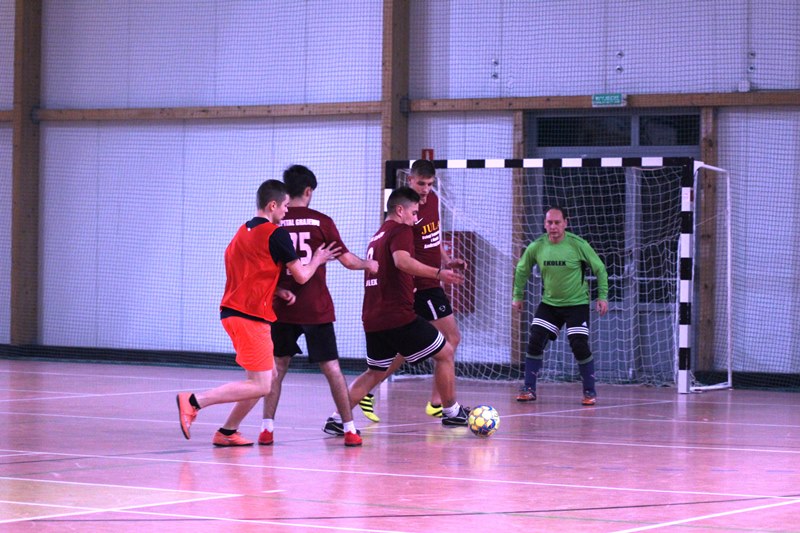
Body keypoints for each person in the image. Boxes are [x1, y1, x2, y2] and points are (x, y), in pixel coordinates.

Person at [176, 179, 340, 446]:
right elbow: (301, 276)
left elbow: (245, 271)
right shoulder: (276, 234)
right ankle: (194, 401)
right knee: (263, 385)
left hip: (233, 312)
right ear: (272, 205)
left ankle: (227, 432)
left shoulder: (242, 231)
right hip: (250, 316)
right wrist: (317, 260)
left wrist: (276, 290)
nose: (287, 211)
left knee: (268, 377)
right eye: (285, 206)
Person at [325, 186, 470, 429]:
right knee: (445, 352)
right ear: (400, 210)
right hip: (398, 316)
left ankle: (337, 419)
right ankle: (451, 411)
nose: (415, 218)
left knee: (374, 372)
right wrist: (438, 273)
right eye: (414, 213)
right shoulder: (401, 230)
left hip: (373, 318)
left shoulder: (378, 235)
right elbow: (402, 261)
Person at [259, 165, 377, 448]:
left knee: (277, 368)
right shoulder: (321, 222)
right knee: (332, 368)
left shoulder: (275, 222)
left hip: (282, 305)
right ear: (308, 191)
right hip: (315, 306)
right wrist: (368, 264)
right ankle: (349, 429)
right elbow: (348, 261)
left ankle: (266, 429)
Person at [358, 159, 466, 422]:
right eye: (421, 183)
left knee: (409, 348)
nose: (426, 189)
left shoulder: (432, 201)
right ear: (410, 180)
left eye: (430, 184)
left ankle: (369, 391)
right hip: (421, 284)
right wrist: (437, 273)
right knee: (450, 340)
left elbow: (433, 236)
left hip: (433, 279)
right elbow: (402, 257)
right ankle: (441, 404)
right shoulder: (404, 213)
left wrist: (445, 260)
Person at [512, 206, 608, 406]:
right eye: (549, 223)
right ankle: (528, 389)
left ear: (565, 223)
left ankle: (589, 391)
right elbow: (522, 269)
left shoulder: (578, 245)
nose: (553, 226)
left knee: (579, 344)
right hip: (550, 304)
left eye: (557, 222)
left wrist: (602, 296)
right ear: (544, 224)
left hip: (577, 304)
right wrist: (517, 296)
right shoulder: (537, 246)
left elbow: (600, 268)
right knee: (535, 339)